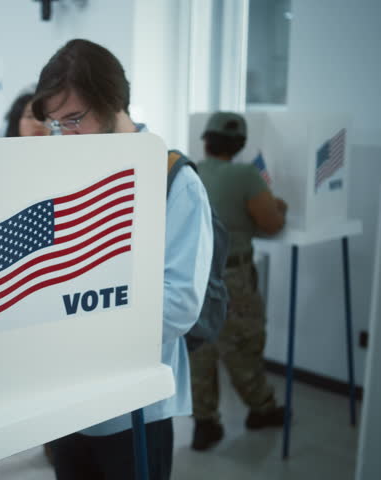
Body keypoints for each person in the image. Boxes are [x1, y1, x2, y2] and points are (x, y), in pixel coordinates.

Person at [31, 39, 214, 480]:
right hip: (68, 400)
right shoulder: (69, 170)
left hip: (136, 406)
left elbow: (179, 305)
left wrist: (81, 324)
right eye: (55, 125)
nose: (64, 136)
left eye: (75, 120)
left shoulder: (175, 181)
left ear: (114, 104)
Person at [189, 111, 288, 450]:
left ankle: (204, 424)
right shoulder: (246, 176)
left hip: (196, 273)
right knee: (243, 344)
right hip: (233, 276)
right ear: (241, 144)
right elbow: (272, 222)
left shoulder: (193, 171)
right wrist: (281, 207)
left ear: (206, 140)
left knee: (199, 350)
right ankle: (261, 409)